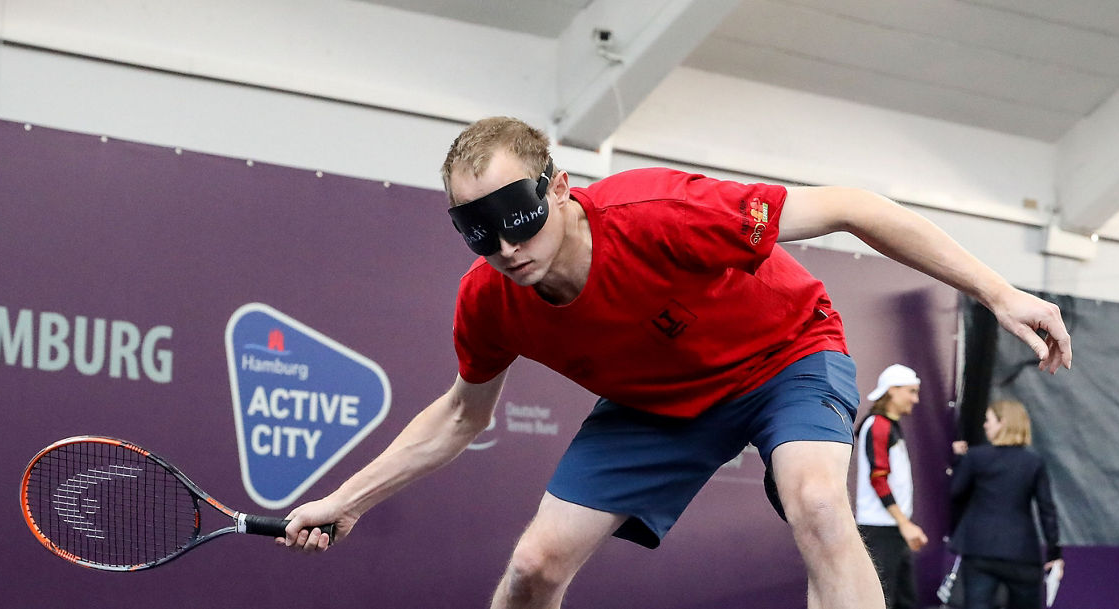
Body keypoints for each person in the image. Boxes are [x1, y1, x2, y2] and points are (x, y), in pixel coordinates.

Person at [277, 116, 1073, 609]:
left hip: (782, 354)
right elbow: (460, 414)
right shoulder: (490, 297)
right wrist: (348, 499)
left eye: (517, 216)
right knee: (532, 566)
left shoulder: (661, 213)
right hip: (654, 401)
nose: (508, 246)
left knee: (820, 504)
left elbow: (853, 207)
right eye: (479, 230)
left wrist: (1000, 293)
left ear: (558, 187)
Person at [949, 400, 1063, 609]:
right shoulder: (1033, 462)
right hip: (1021, 551)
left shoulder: (975, 457)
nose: (985, 425)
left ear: (1003, 423)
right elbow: (1047, 509)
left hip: (979, 547)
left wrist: (959, 461)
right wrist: (1054, 553)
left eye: (989, 420)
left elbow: (956, 491)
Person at [854, 364, 927, 609]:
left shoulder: (887, 425)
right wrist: (905, 523)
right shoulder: (878, 425)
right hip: (880, 529)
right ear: (892, 391)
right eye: (911, 391)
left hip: (892, 528)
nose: (915, 400)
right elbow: (879, 478)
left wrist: (903, 524)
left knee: (904, 600)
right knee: (882, 601)